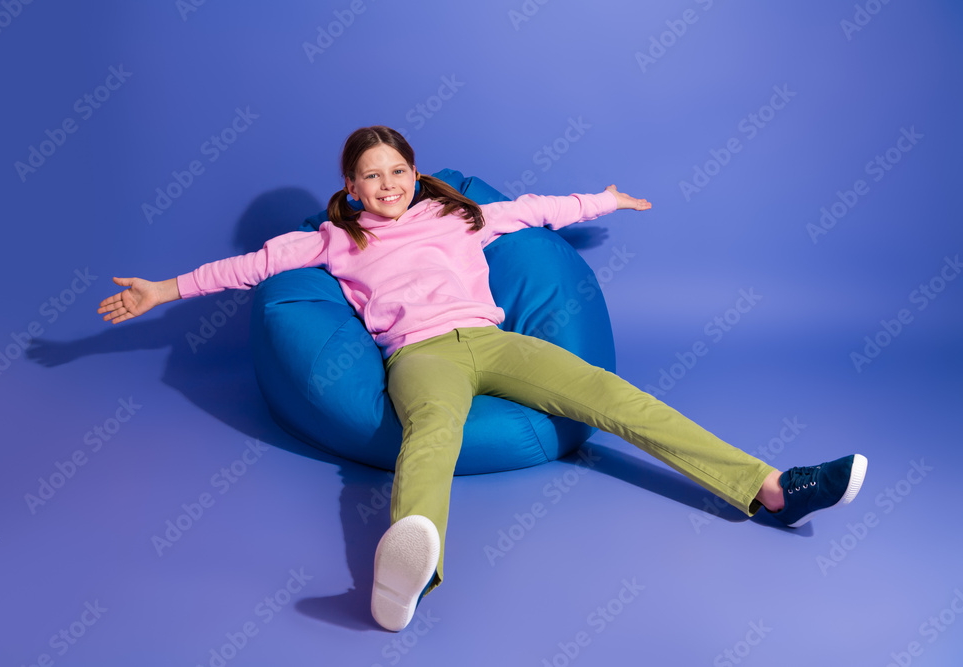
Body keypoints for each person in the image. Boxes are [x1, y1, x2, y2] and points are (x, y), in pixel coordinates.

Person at [98, 126, 868, 633]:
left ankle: (768, 486)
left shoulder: (460, 214)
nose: (389, 184)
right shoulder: (332, 239)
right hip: (420, 355)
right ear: (352, 187)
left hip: (497, 342)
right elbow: (249, 267)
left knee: (614, 396)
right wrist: (160, 291)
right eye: (373, 176)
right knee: (432, 435)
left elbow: (537, 209)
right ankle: (411, 571)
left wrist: (606, 199)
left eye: (398, 169)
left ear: (415, 171)